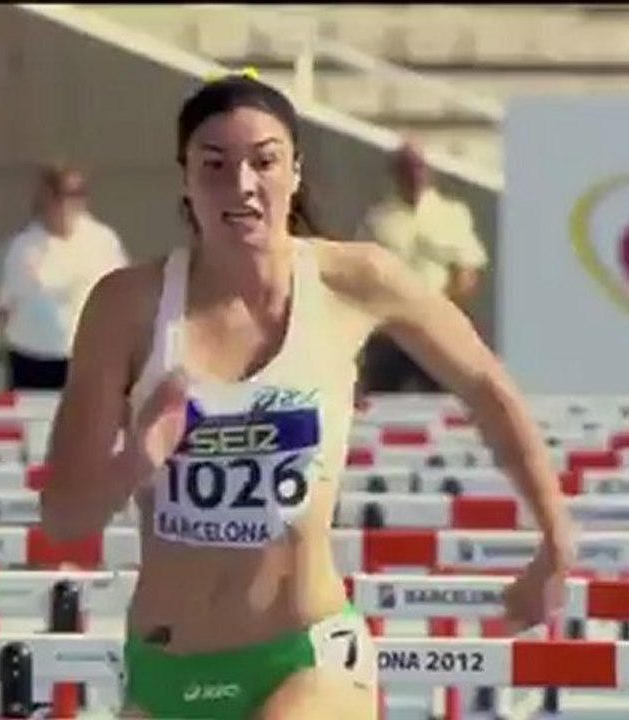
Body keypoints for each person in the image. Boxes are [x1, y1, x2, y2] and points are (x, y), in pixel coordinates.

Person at [39, 73, 573, 720]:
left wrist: (554, 539)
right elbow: (64, 520)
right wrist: (137, 461)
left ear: (295, 171)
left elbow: (488, 387)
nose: (241, 185)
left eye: (263, 161)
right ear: (184, 177)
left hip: (307, 661)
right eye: (215, 164)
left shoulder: (356, 281)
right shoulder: (127, 305)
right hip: (163, 672)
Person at [357, 140, 489, 393]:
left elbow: (467, 271)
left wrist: (439, 310)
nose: (414, 174)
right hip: (392, 330)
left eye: (419, 166)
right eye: (406, 167)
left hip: (440, 328)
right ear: (394, 172)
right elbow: (364, 272)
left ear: (429, 172)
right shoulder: (378, 219)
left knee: (455, 396)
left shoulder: (452, 214)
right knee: (381, 400)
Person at [0, 164, 128, 390]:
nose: (65, 203)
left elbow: (121, 297)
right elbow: (5, 305)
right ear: (44, 198)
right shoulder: (21, 247)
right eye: (58, 194)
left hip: (87, 358)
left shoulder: (103, 241)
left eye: (75, 194)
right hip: (31, 357)